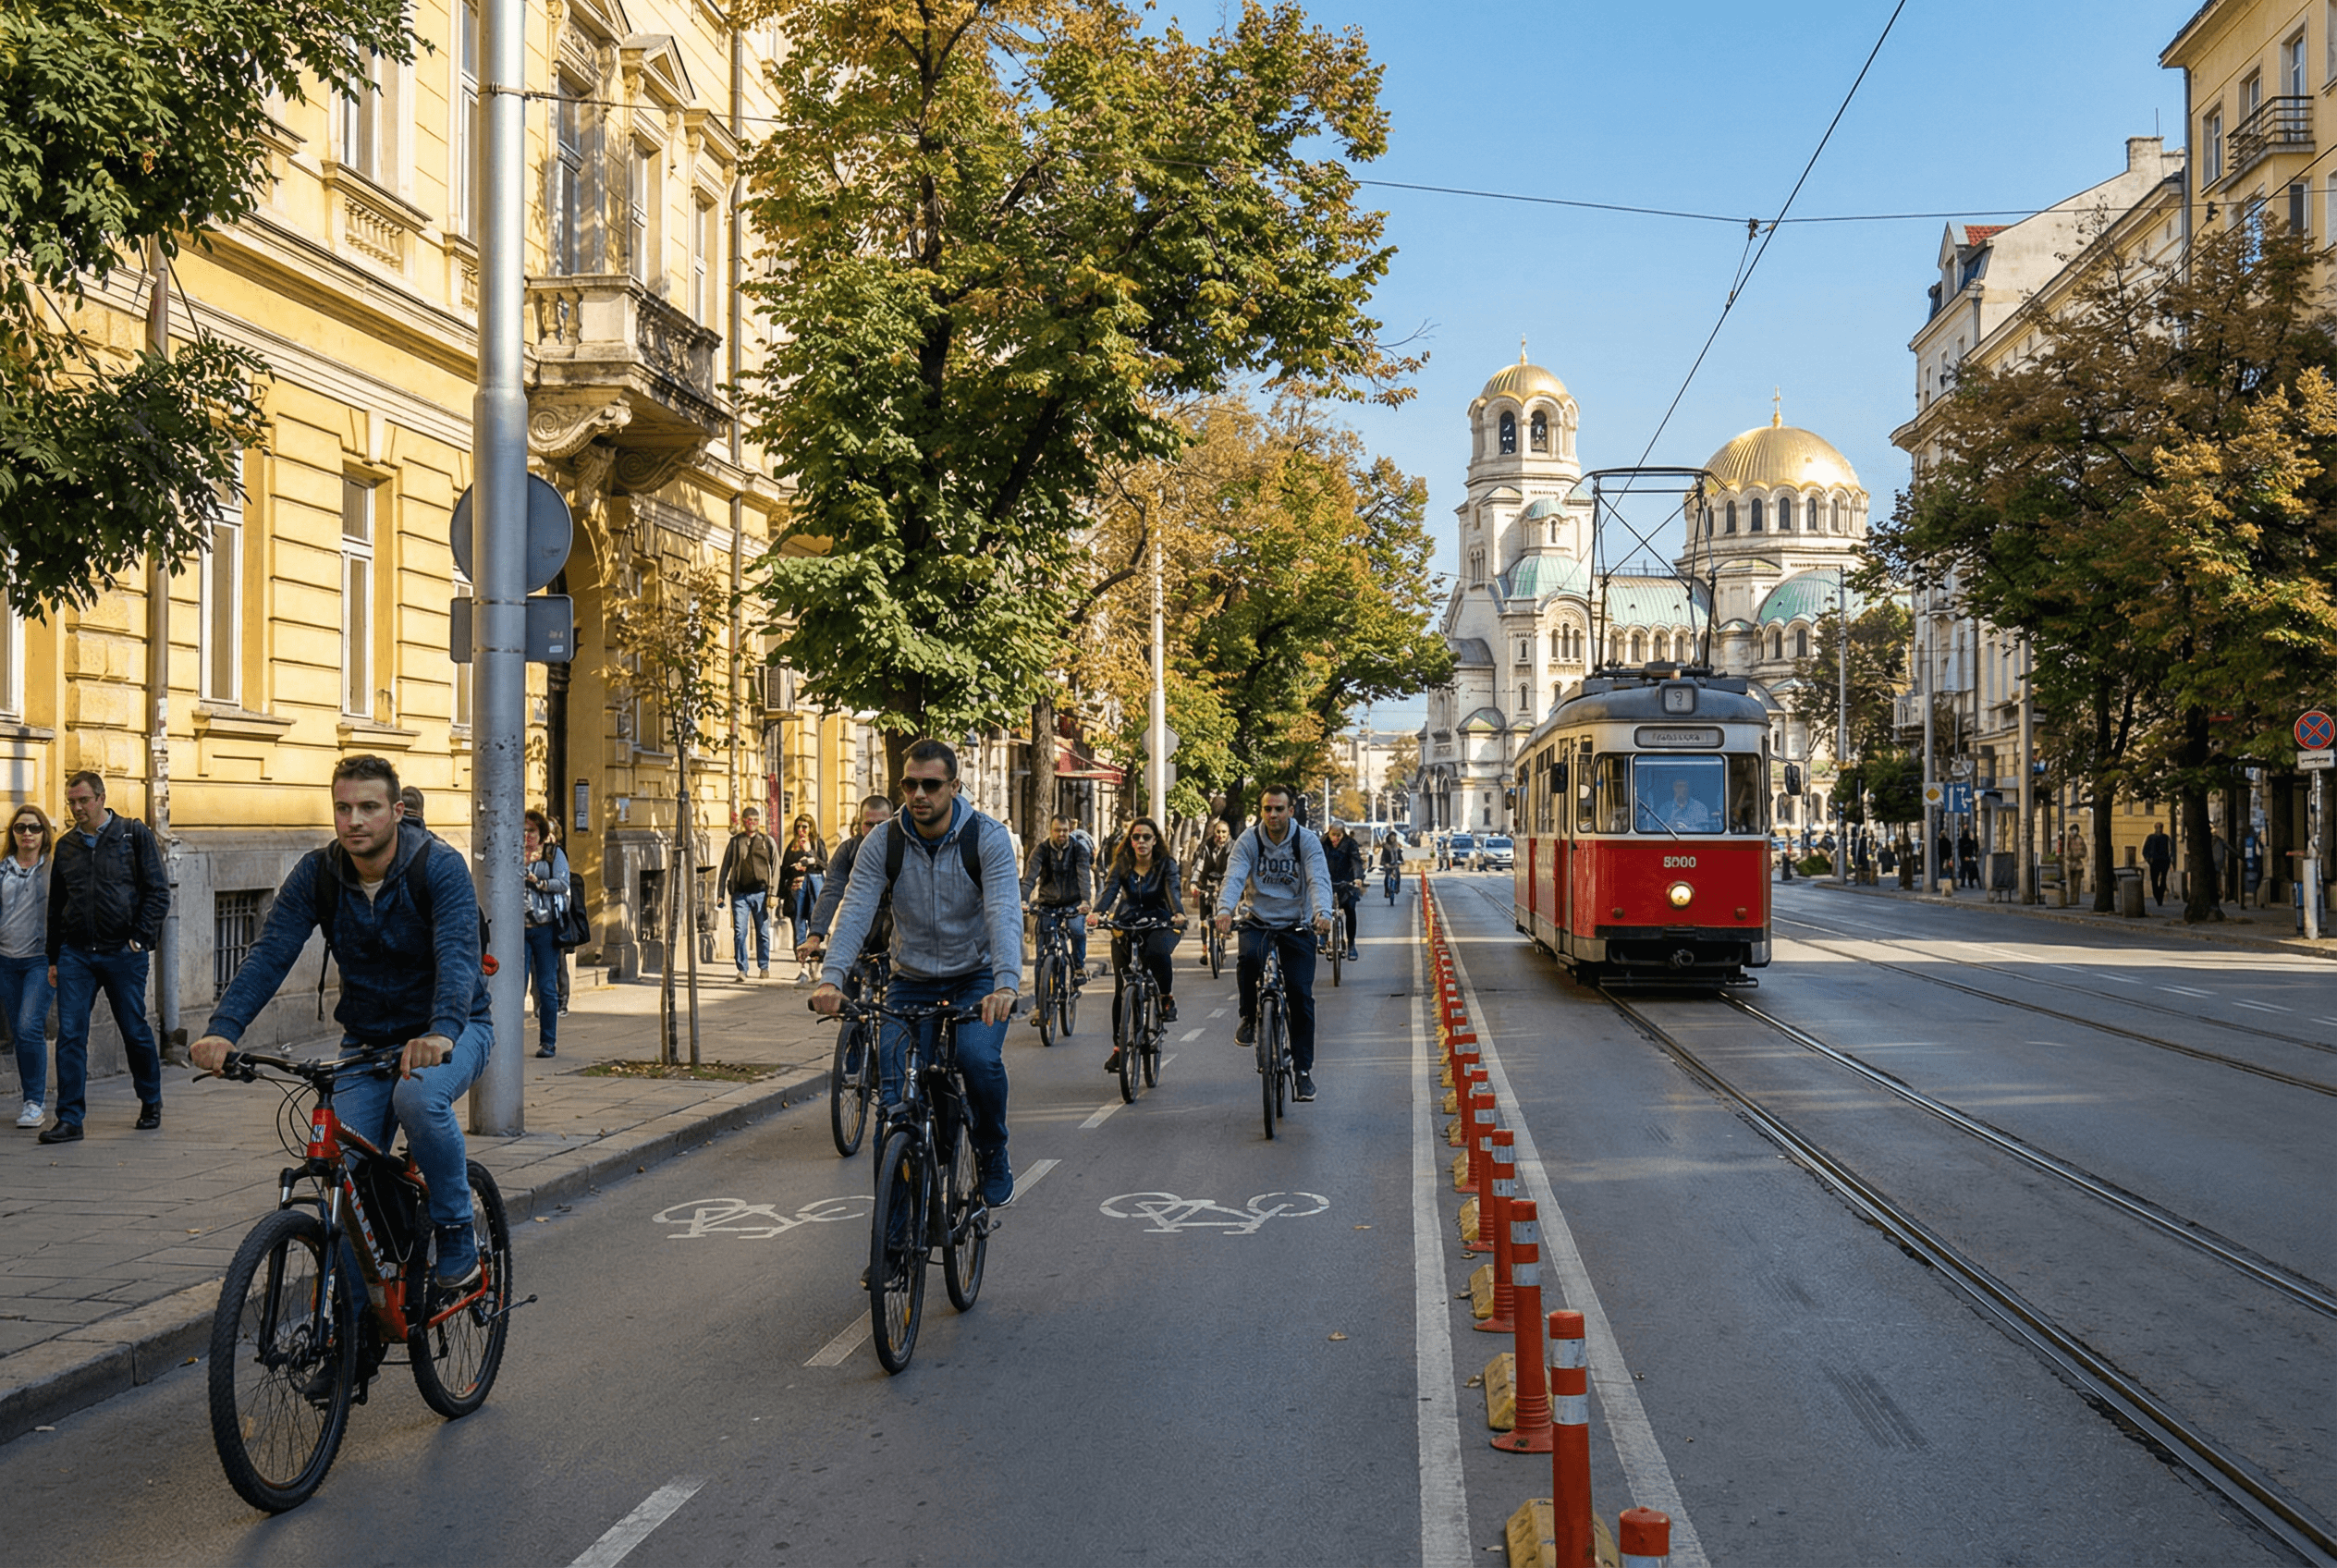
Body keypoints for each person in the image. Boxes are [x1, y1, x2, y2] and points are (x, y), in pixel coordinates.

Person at [191, 755, 495, 1291]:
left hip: (453, 1028)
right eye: (343, 808)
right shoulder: (319, 873)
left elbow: (457, 955)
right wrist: (224, 1029)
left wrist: (440, 1030)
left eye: (369, 807)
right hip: (367, 1041)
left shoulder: (438, 866)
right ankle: (350, 1321)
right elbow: (271, 951)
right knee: (341, 1172)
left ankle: (454, 1229)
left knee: (418, 1098)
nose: (353, 820)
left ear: (396, 812)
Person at [811, 737, 1022, 1207]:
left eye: (931, 785)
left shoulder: (986, 838)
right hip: (910, 980)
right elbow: (856, 908)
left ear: (955, 787)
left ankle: (992, 1151)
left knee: (977, 1059)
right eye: (910, 785)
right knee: (894, 1106)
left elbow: (1004, 911)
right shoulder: (883, 841)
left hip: (977, 977)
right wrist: (832, 977)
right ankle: (894, 1236)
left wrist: (1006, 983)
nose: (919, 794)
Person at [39, 772, 169, 1143]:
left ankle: (151, 1100)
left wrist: (139, 940)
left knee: (134, 1030)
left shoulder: (132, 834)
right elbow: (56, 905)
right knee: (70, 1036)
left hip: (122, 953)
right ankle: (69, 1119)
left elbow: (158, 892)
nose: (77, 808)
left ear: (101, 798)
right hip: (76, 955)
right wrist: (54, 957)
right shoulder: (66, 846)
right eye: (71, 802)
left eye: (83, 800)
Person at [1213, 784, 1334, 1102]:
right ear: (1261, 811)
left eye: (1279, 809)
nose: (1273, 814)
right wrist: (1224, 910)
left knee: (1300, 996)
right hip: (1258, 920)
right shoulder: (1249, 840)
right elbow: (1234, 876)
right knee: (1249, 960)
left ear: (1290, 811)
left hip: (1297, 923)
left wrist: (1322, 913)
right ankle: (1249, 1017)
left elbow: (1318, 879)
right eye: (1267, 809)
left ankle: (1303, 1072)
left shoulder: (1305, 841)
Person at [1093, 815, 1186, 1072]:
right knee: (1121, 989)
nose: (1141, 841)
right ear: (1130, 841)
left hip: (1160, 921)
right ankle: (1119, 1049)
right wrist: (1097, 913)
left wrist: (1178, 913)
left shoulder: (1166, 864)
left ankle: (1165, 997)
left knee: (1157, 952)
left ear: (1155, 841)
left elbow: (1173, 890)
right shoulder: (1122, 863)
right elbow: (1110, 890)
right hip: (1127, 922)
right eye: (1136, 837)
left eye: (1146, 837)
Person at [4, 805, 55, 1129]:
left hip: (39, 959)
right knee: (16, 1032)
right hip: (5, 961)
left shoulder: (54, 869)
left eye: (34, 828)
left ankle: (34, 1102)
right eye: (20, 827)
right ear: (12, 833)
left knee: (27, 1027)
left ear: (44, 833)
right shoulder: (2, 870)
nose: (27, 833)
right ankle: (30, 1098)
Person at [801, 794, 898, 968]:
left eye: (881, 824)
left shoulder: (904, 848)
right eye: (869, 824)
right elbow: (831, 891)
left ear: (892, 822)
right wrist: (815, 936)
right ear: (859, 824)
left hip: (898, 926)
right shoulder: (847, 851)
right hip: (859, 923)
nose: (875, 830)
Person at [1021, 815, 1093, 1006]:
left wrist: (1085, 901)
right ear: (1050, 831)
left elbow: (1084, 876)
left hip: (1073, 903)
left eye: (1065, 831)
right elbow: (1029, 878)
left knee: (1077, 929)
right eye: (1057, 830)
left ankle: (1078, 967)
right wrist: (1023, 899)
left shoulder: (1078, 849)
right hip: (1047, 904)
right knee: (1041, 956)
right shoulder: (1041, 850)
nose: (1061, 834)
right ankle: (1040, 1007)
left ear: (1070, 831)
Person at [521, 810, 568, 1058]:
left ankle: (548, 1042)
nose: (526, 835)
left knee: (546, 986)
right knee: (516, 986)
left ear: (541, 833)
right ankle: (510, 1042)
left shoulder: (552, 854)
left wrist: (539, 883)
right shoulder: (512, 853)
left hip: (545, 927)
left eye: (531, 831)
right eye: (523, 830)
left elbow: (563, 883)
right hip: (518, 930)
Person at [717, 806, 779, 981]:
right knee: (739, 933)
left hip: (761, 894)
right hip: (740, 895)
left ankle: (764, 967)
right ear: (744, 821)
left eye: (756, 820)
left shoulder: (767, 841)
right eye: (749, 820)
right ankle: (742, 969)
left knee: (763, 932)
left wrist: (773, 893)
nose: (752, 823)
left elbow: (776, 867)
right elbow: (725, 868)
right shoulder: (735, 842)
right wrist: (720, 893)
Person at [777, 815, 827, 983]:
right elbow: (784, 870)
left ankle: (816, 967)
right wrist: (781, 893)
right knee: (799, 928)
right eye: (798, 827)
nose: (801, 830)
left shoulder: (817, 843)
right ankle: (803, 968)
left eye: (804, 827)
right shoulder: (792, 846)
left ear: (811, 828)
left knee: (815, 929)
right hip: (797, 890)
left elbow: (825, 864)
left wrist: (810, 855)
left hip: (814, 891)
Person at [1190, 819, 1232, 964]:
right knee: (1204, 918)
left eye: (1224, 832)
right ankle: (1204, 950)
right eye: (1218, 832)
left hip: (1225, 881)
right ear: (1214, 833)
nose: (1221, 835)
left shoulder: (1233, 847)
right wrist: (1194, 883)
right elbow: (1199, 866)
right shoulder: (1206, 846)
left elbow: (1235, 866)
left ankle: (1225, 930)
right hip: (1207, 881)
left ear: (1228, 834)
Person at [1321, 824, 1364, 960]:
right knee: (1320, 907)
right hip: (1327, 881)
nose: (1335, 838)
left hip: (1346, 882)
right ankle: (1323, 938)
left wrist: (1357, 878)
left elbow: (1356, 862)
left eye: (1338, 835)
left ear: (1343, 834)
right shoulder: (1322, 843)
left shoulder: (1350, 844)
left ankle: (1351, 945)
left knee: (1350, 909)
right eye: (1332, 835)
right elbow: (1315, 860)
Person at [1649, 776, 1715, 833]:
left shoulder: (1700, 808)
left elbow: (1705, 829)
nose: (1680, 790)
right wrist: (1670, 825)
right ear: (1673, 788)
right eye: (1678, 786)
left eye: (1683, 786)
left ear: (1688, 789)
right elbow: (1657, 828)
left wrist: (1685, 828)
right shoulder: (1665, 807)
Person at [2142, 822, 2172, 906]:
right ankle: (2157, 896)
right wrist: (2148, 859)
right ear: (2155, 828)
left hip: (2164, 861)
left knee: (2163, 880)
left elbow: (2171, 849)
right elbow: (2145, 850)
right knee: (2154, 881)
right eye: (2158, 827)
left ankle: (2160, 896)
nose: (2160, 829)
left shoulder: (2166, 837)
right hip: (2154, 861)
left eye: (2161, 827)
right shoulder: (2151, 837)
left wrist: (2170, 859)